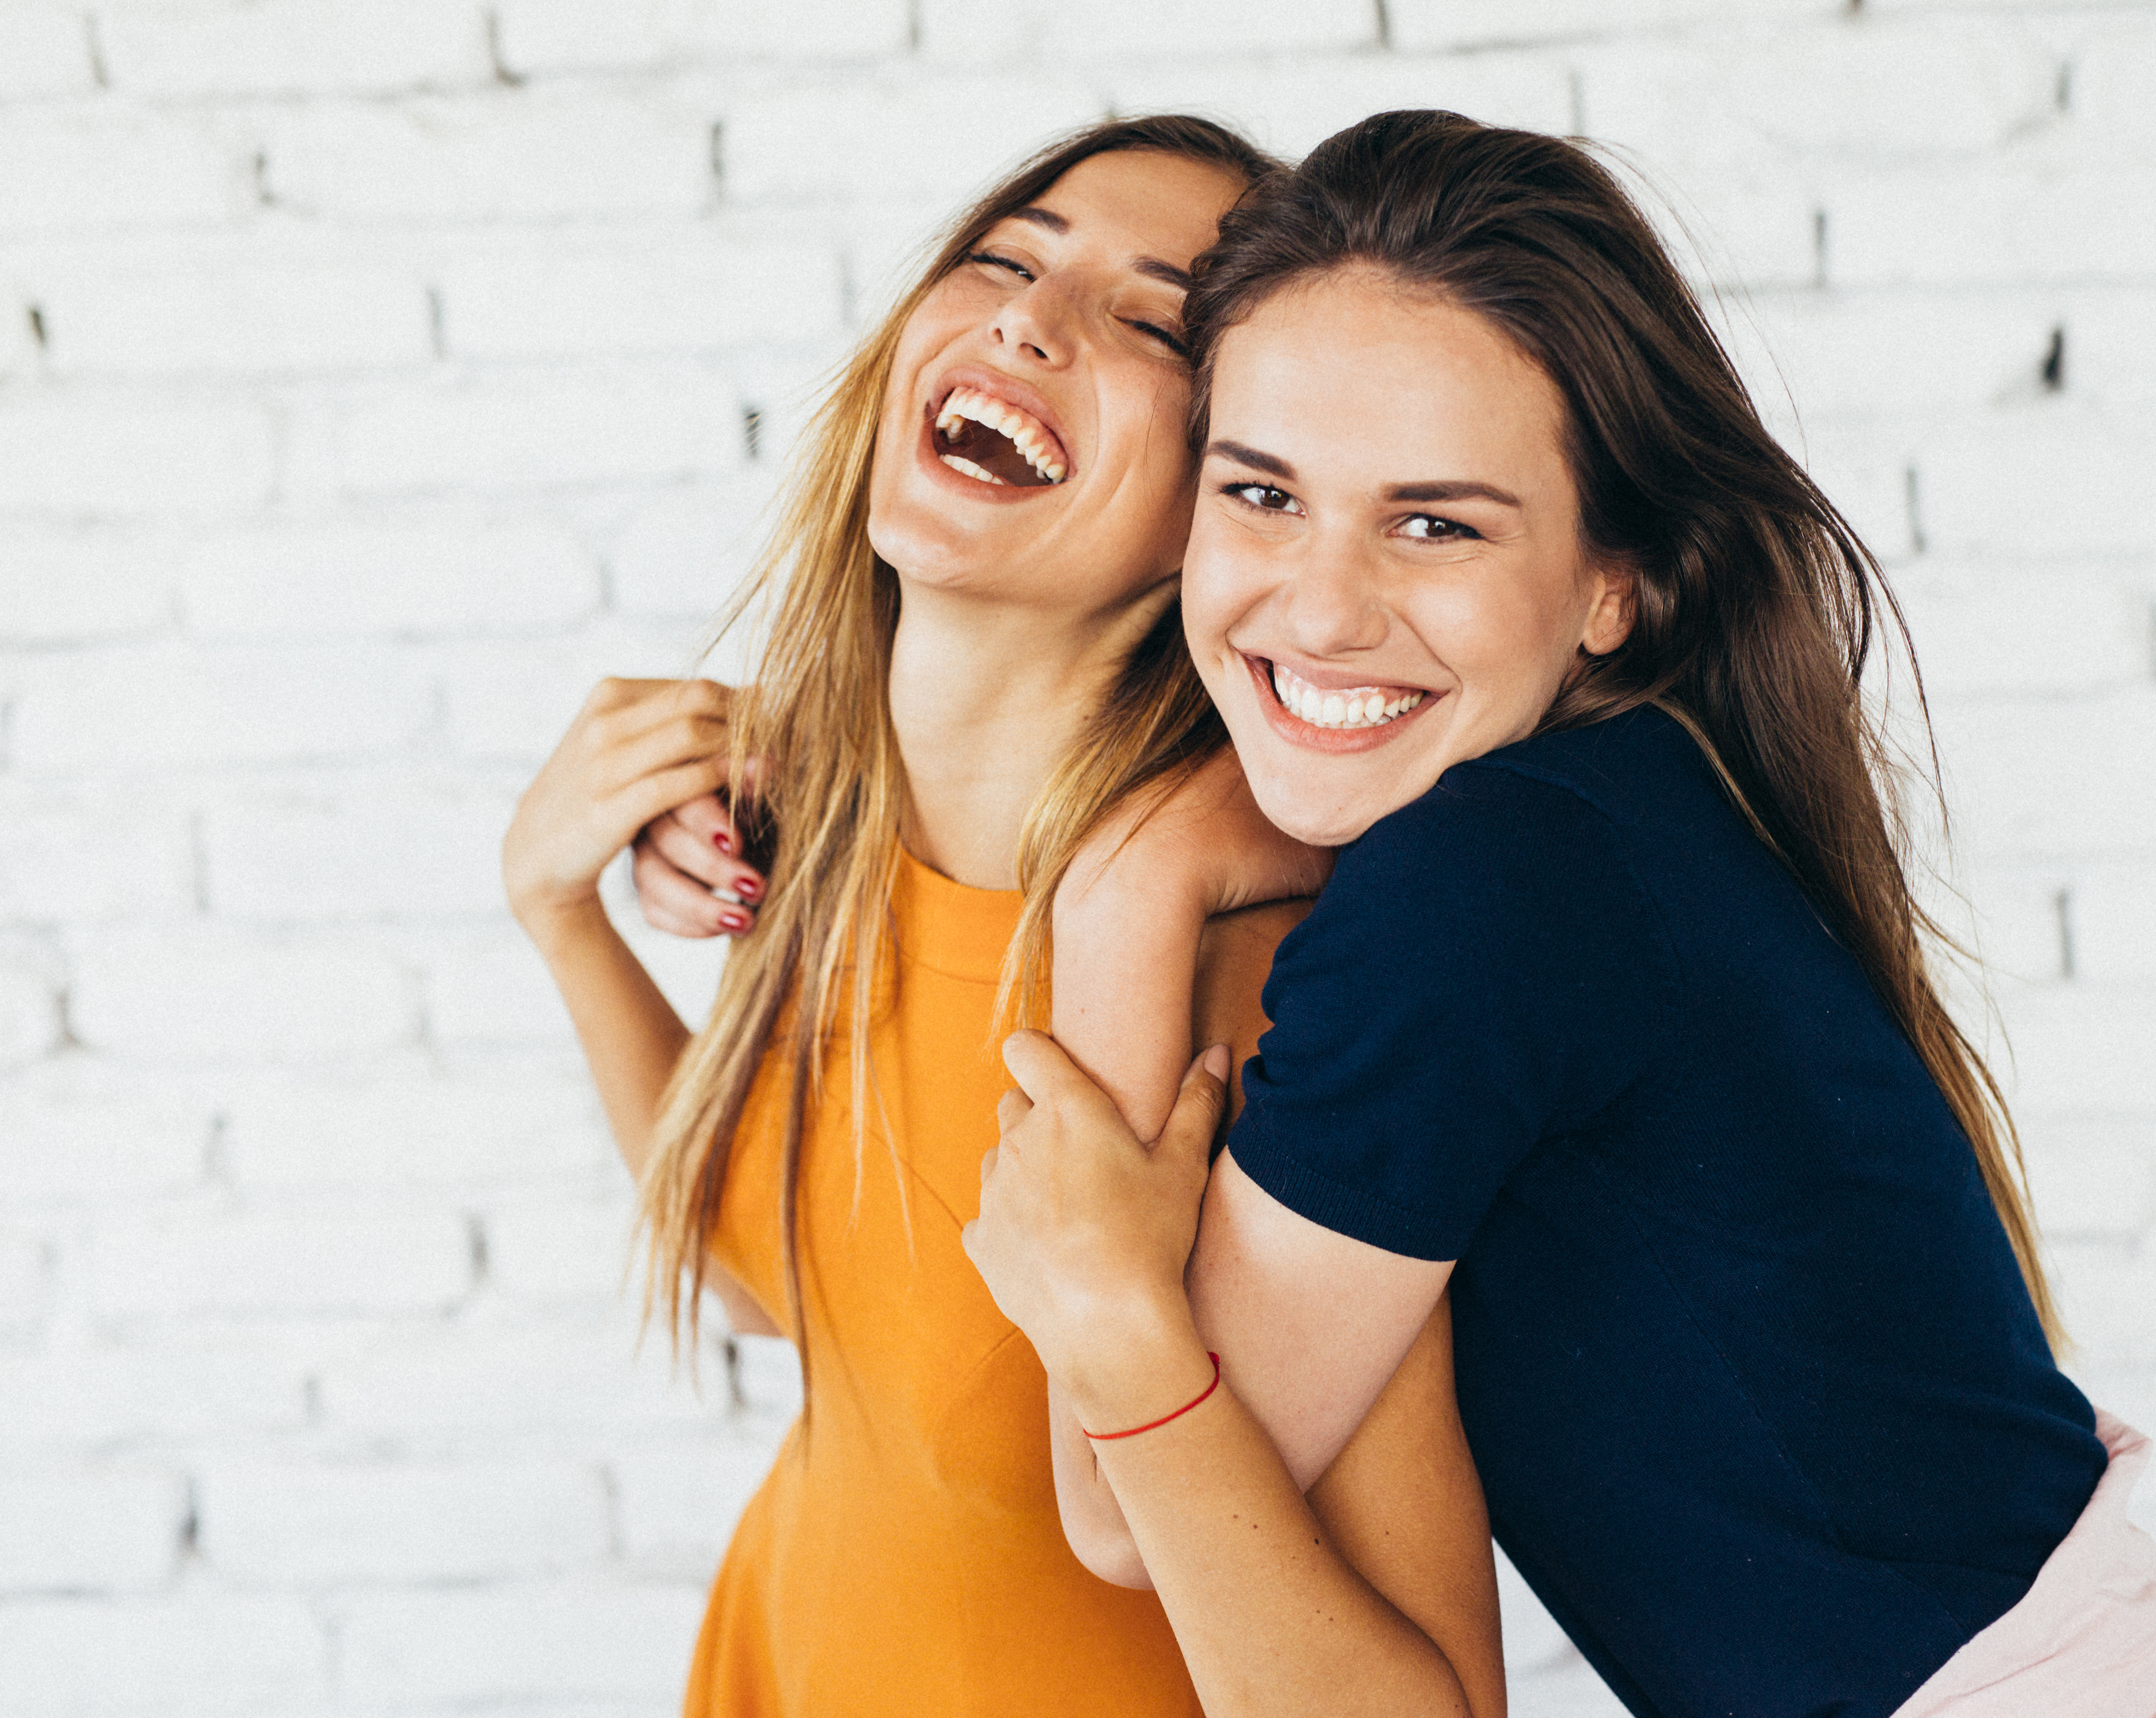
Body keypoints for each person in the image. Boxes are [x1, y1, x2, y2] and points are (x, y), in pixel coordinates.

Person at [964, 111, 2156, 1718]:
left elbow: (1115, 1518)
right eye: (1262, 495)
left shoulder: (1480, 892)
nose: (1318, 604)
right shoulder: (1613, 813)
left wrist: (1126, 905)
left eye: (1434, 522)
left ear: (1613, 585)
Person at [498, 115, 1506, 1717]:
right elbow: (784, 1294)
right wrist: (566, 918)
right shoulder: (826, 847)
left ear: (1223, 494)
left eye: (1149, 318)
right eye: (1004, 258)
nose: (1030, 320)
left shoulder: (1242, 989)